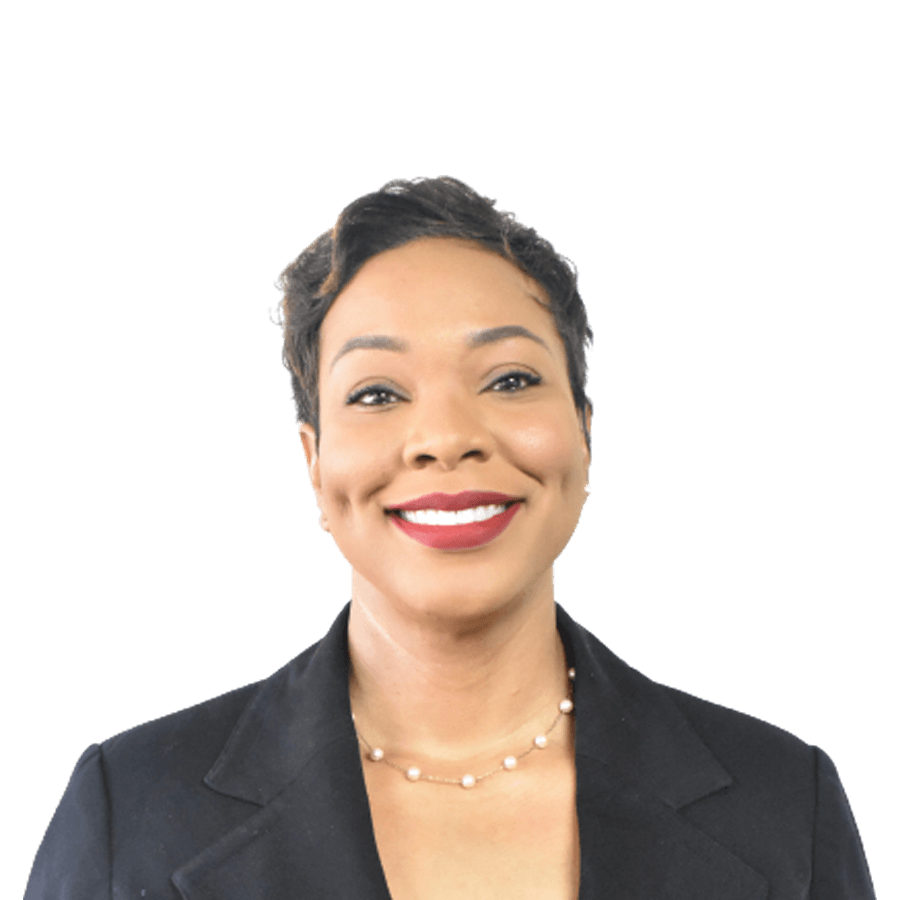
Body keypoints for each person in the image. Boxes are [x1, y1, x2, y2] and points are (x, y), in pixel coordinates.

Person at [26, 177, 875, 899]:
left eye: (509, 379)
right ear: (314, 461)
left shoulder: (782, 804)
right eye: (376, 394)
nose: (445, 437)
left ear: (585, 429)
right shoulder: (131, 811)